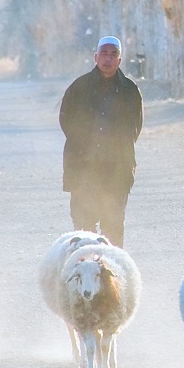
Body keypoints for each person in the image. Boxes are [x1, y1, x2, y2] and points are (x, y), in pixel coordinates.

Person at [59, 35, 143, 247]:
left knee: (113, 227)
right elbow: (66, 120)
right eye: (104, 54)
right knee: (83, 229)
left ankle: (112, 275)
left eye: (113, 54)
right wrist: (85, 144)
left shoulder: (130, 90)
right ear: (95, 57)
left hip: (116, 170)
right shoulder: (79, 88)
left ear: (120, 60)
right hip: (84, 169)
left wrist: (115, 148)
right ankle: (85, 275)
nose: (108, 59)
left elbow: (135, 127)